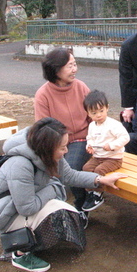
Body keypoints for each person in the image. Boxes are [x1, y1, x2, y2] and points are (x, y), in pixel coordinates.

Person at [0, 118, 127, 272]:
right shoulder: (20, 164)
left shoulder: (47, 153)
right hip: (4, 215)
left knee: (63, 208)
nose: (66, 151)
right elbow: (26, 207)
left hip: (24, 204)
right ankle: (19, 251)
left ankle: (31, 239)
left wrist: (100, 179)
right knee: (56, 209)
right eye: (63, 147)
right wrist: (53, 188)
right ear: (47, 147)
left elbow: (70, 176)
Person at [34, 47, 91, 211]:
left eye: (75, 64)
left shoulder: (81, 87)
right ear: (56, 70)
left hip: (81, 138)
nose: (75, 69)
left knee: (71, 167)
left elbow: (93, 118)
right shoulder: (43, 94)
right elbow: (43, 128)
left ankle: (81, 207)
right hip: (56, 143)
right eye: (70, 66)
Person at [81, 90, 130, 212]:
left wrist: (112, 145)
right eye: (94, 112)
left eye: (101, 111)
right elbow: (90, 138)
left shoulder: (113, 125)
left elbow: (125, 137)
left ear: (107, 108)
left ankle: (98, 194)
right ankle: (90, 192)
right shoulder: (92, 126)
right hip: (98, 157)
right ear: (88, 113)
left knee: (99, 170)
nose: (98, 115)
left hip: (113, 158)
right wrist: (89, 146)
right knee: (86, 168)